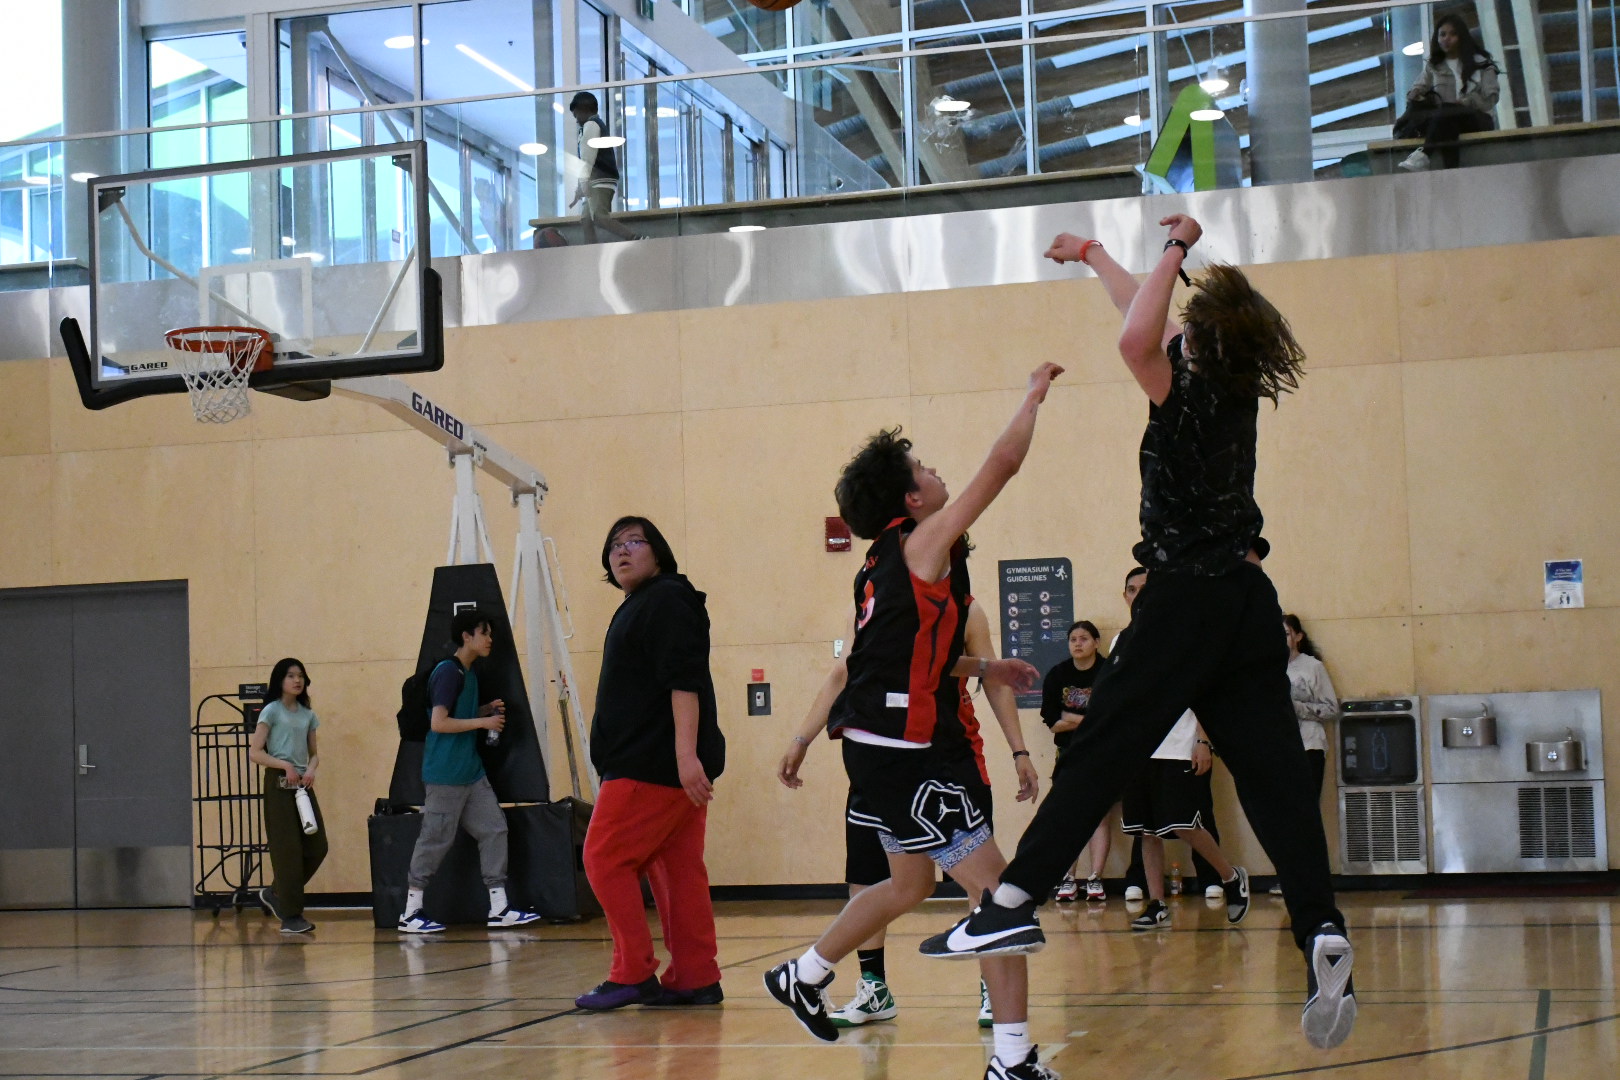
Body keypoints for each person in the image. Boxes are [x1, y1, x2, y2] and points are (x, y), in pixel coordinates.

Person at [920, 218, 1357, 1054]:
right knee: (1273, 784)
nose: (1172, 329)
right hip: (1246, 602)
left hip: (1186, 597)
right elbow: (1143, 320)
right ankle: (1321, 930)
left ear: (1194, 346)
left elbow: (1134, 335)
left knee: (1103, 746)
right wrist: (1092, 256)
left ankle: (1010, 904)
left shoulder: (1182, 393)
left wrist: (1176, 247)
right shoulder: (1228, 393)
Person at [764, 362, 1064, 1080]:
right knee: (998, 895)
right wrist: (1031, 396)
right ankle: (1012, 1063)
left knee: (909, 887)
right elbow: (1004, 463)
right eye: (923, 467)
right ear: (910, 497)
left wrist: (983, 670)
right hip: (904, 754)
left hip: (887, 748)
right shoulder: (919, 542)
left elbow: (891, 662)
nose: (936, 471)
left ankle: (804, 974)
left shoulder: (883, 564)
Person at [777, 597, 1040, 1030]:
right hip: (886, 757)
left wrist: (1019, 750)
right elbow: (847, 670)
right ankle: (860, 983)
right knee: (891, 879)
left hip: (949, 758)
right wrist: (802, 738)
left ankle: (805, 973)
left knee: (970, 887)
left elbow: (986, 680)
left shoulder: (967, 611)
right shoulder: (874, 601)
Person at [576, 516, 727, 1011]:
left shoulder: (663, 599)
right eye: (614, 546)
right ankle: (694, 976)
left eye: (633, 542)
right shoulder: (650, 603)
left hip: (650, 766)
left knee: (603, 856)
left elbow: (682, 681)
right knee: (677, 870)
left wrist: (685, 757)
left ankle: (633, 971)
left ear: (657, 552)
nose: (621, 552)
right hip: (667, 768)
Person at [397, 609, 543, 934]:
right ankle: (410, 912)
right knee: (435, 839)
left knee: (494, 830)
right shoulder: (448, 672)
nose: (490, 639)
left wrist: (482, 711)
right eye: (484, 632)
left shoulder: (470, 674)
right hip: (445, 775)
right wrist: (484, 722)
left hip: (471, 774)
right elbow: (439, 722)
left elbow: (456, 715)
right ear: (466, 636)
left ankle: (499, 907)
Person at [249, 658, 327, 934]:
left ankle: (276, 892)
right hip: (279, 784)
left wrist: (311, 771)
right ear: (279, 680)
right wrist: (285, 765)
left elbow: (314, 754)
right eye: (291, 675)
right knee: (288, 851)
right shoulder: (271, 711)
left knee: (318, 846)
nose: (297, 680)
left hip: (303, 785)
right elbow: (255, 752)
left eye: (301, 676)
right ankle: (291, 916)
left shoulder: (308, 714)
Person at [1041, 621, 1109, 903]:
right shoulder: (1058, 675)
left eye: (1083, 638)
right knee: (1068, 815)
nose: (1077, 643)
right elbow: (1053, 723)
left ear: (1095, 642)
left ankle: (1095, 878)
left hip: (1103, 753)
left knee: (1100, 816)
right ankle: (1068, 877)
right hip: (1068, 754)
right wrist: (1088, 721)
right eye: (1072, 639)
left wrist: (1072, 719)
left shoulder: (1108, 671)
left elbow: (1109, 718)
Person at [1273, 614, 1340, 895]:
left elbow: (1332, 709)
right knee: (1281, 817)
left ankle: (1314, 880)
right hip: (1277, 750)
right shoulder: (1266, 670)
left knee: (1307, 816)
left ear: (1298, 636)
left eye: (1286, 633)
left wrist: (1296, 707)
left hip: (1309, 746)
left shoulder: (1312, 667)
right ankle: (1290, 879)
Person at [1397, 14, 1500, 172]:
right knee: (1447, 120)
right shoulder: (1434, 66)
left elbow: (1490, 99)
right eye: (1442, 34)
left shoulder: (1482, 64)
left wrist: (1467, 102)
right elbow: (1417, 87)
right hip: (1445, 121)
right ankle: (1451, 173)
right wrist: (1416, 94)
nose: (1447, 39)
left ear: (1462, 36)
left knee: (1447, 113)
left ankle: (1424, 155)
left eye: (1453, 34)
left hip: (1477, 119)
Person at [569, 91, 640, 243]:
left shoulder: (591, 125)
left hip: (600, 179)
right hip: (598, 179)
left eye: (576, 115)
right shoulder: (594, 125)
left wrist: (582, 184)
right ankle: (590, 249)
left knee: (599, 217)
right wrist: (580, 188)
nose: (576, 121)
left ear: (583, 110)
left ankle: (635, 238)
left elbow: (587, 158)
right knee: (586, 219)